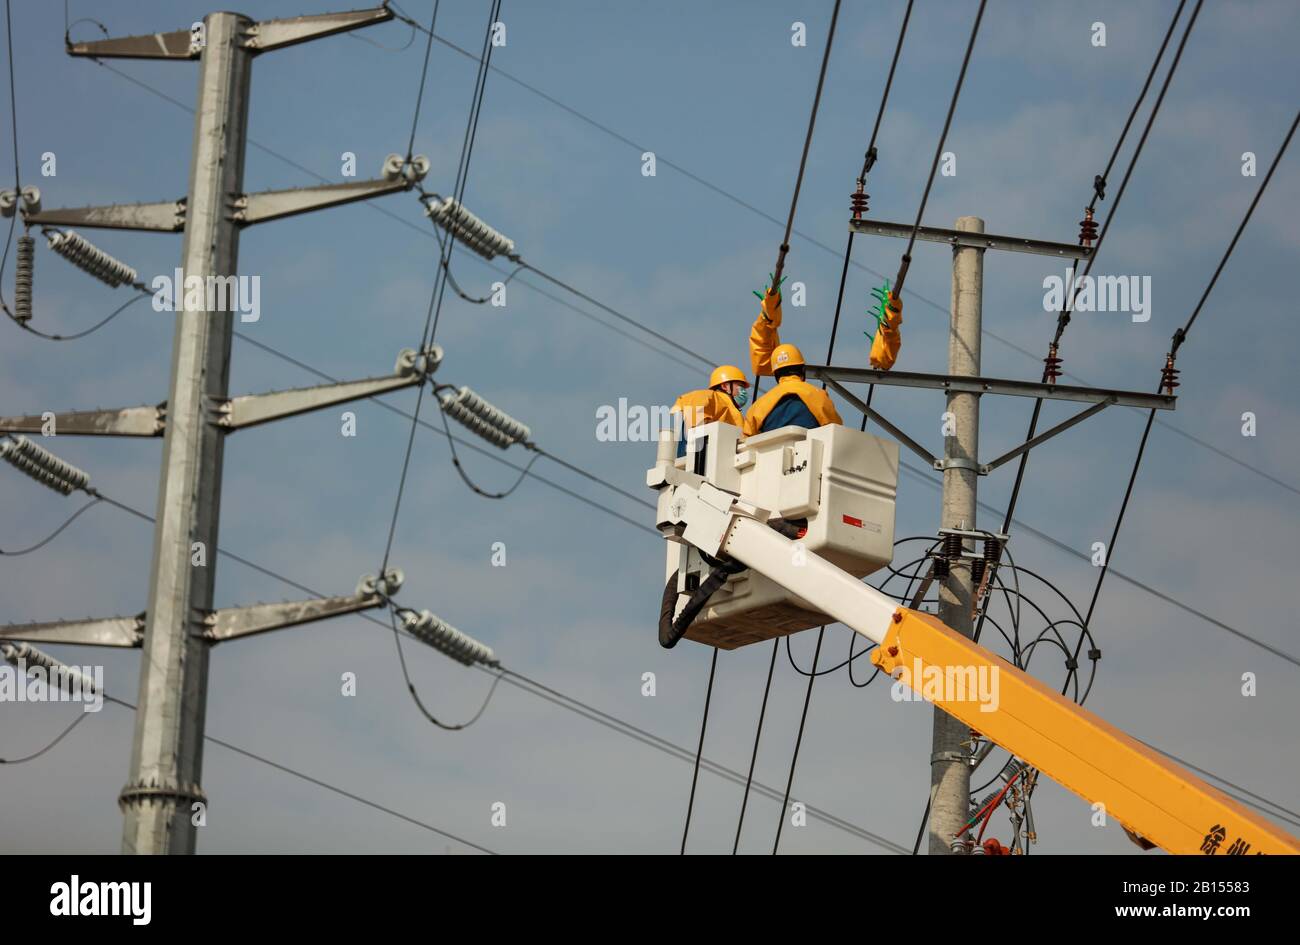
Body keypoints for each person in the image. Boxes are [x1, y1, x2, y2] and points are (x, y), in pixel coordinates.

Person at [744, 280, 843, 435]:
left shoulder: (759, 406)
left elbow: (747, 438)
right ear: (802, 370)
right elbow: (836, 429)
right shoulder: (818, 395)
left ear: (776, 373)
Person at [670, 364, 749, 457]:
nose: (744, 391)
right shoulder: (709, 397)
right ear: (725, 386)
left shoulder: (736, 413)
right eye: (740, 386)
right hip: (701, 460)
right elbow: (693, 422)